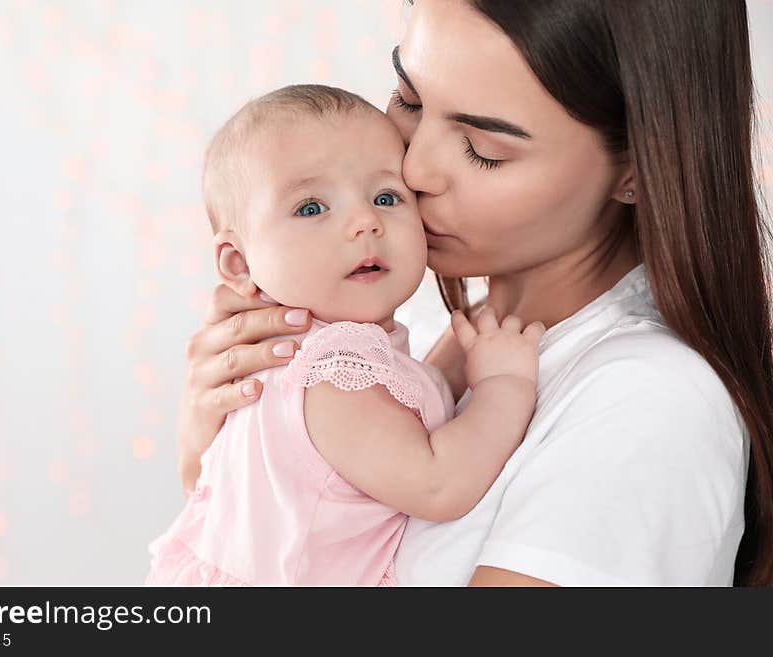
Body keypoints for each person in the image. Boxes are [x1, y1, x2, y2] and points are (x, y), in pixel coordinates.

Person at [176, 0, 773, 586]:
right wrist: (218, 454)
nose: (412, 171)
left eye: (484, 149)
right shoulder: (433, 341)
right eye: (407, 99)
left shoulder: (647, 402)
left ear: (639, 166)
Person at [145, 84, 546, 586]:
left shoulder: (295, 352)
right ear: (239, 263)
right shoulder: (333, 368)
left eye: (386, 197)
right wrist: (503, 387)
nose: (365, 222)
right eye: (311, 208)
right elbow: (440, 485)